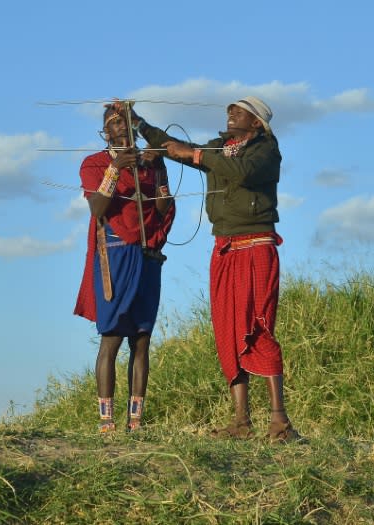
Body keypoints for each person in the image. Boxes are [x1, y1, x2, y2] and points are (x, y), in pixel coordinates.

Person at [129, 96, 301, 443]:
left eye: (239, 111)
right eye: (230, 109)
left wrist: (191, 154)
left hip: (256, 246)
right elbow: (180, 148)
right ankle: (241, 421)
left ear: (257, 123)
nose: (230, 113)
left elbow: (240, 171)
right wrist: (139, 125)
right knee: (227, 329)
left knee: (257, 327)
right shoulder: (221, 148)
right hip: (224, 248)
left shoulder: (265, 150)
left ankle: (280, 422)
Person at [74, 103, 176, 433]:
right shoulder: (95, 163)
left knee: (142, 338)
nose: (122, 126)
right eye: (115, 122)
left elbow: (162, 209)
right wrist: (116, 167)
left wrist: (158, 169)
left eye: (126, 121)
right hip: (115, 256)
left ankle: (136, 422)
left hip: (147, 256)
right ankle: (107, 422)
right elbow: (98, 207)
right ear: (106, 131)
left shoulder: (148, 165)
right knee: (112, 337)